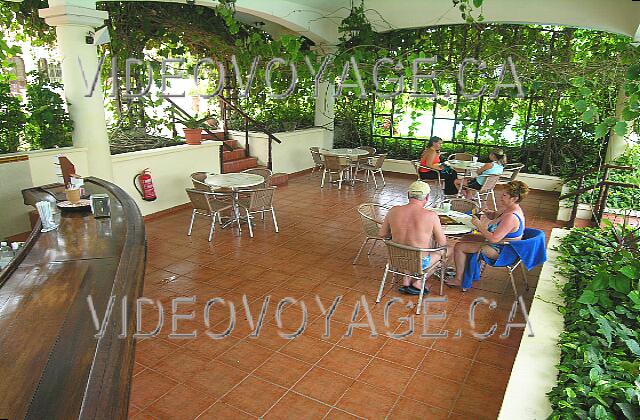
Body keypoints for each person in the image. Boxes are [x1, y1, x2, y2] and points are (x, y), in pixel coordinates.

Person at [448, 180, 529, 290]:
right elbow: (494, 216)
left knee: (459, 246)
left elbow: (493, 239)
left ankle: (459, 279)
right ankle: (469, 272)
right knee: (465, 237)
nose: (501, 197)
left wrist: (479, 225)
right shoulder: (508, 208)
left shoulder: (511, 216)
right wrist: (487, 212)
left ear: (514, 198)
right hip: (499, 243)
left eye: (504, 195)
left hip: (504, 250)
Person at [379, 181, 449, 295]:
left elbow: (382, 234)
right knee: (446, 250)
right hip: (419, 263)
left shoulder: (393, 210)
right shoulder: (431, 215)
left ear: (408, 195)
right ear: (427, 197)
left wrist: (397, 234)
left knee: (406, 246)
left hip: (396, 259)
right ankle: (419, 281)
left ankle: (406, 279)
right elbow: (442, 243)